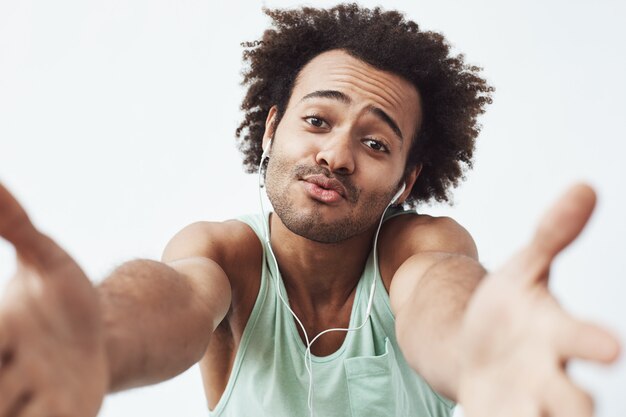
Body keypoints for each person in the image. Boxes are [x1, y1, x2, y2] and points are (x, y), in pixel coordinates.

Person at [0, 4, 620, 417]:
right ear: (271, 129)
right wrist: (101, 338)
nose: (337, 154)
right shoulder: (224, 255)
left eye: (375, 143)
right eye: (317, 120)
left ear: (407, 181)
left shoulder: (419, 250)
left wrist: (471, 343)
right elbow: (174, 299)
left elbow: (442, 298)